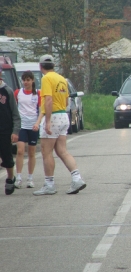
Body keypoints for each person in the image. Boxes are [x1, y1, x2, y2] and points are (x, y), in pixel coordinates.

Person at [33, 54, 86, 196]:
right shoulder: (61, 79)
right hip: (64, 115)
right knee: (62, 150)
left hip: (54, 116)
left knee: (46, 151)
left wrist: (48, 121)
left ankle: (49, 184)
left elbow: (48, 100)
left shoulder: (46, 79)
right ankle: (77, 178)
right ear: (53, 66)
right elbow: (67, 99)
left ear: (40, 66)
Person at [13, 71, 41, 189]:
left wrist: (38, 123)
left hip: (33, 126)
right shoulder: (18, 93)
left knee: (31, 153)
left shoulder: (38, 94)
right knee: (20, 151)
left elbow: (41, 110)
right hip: (21, 125)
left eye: (28, 80)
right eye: (24, 80)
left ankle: (30, 178)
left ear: (32, 81)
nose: (26, 82)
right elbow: (13, 108)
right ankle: (18, 177)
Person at [0, 67, 21, 195]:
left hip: (5, 129)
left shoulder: (7, 91)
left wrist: (15, 131)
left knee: (6, 155)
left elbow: (15, 113)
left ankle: (10, 177)